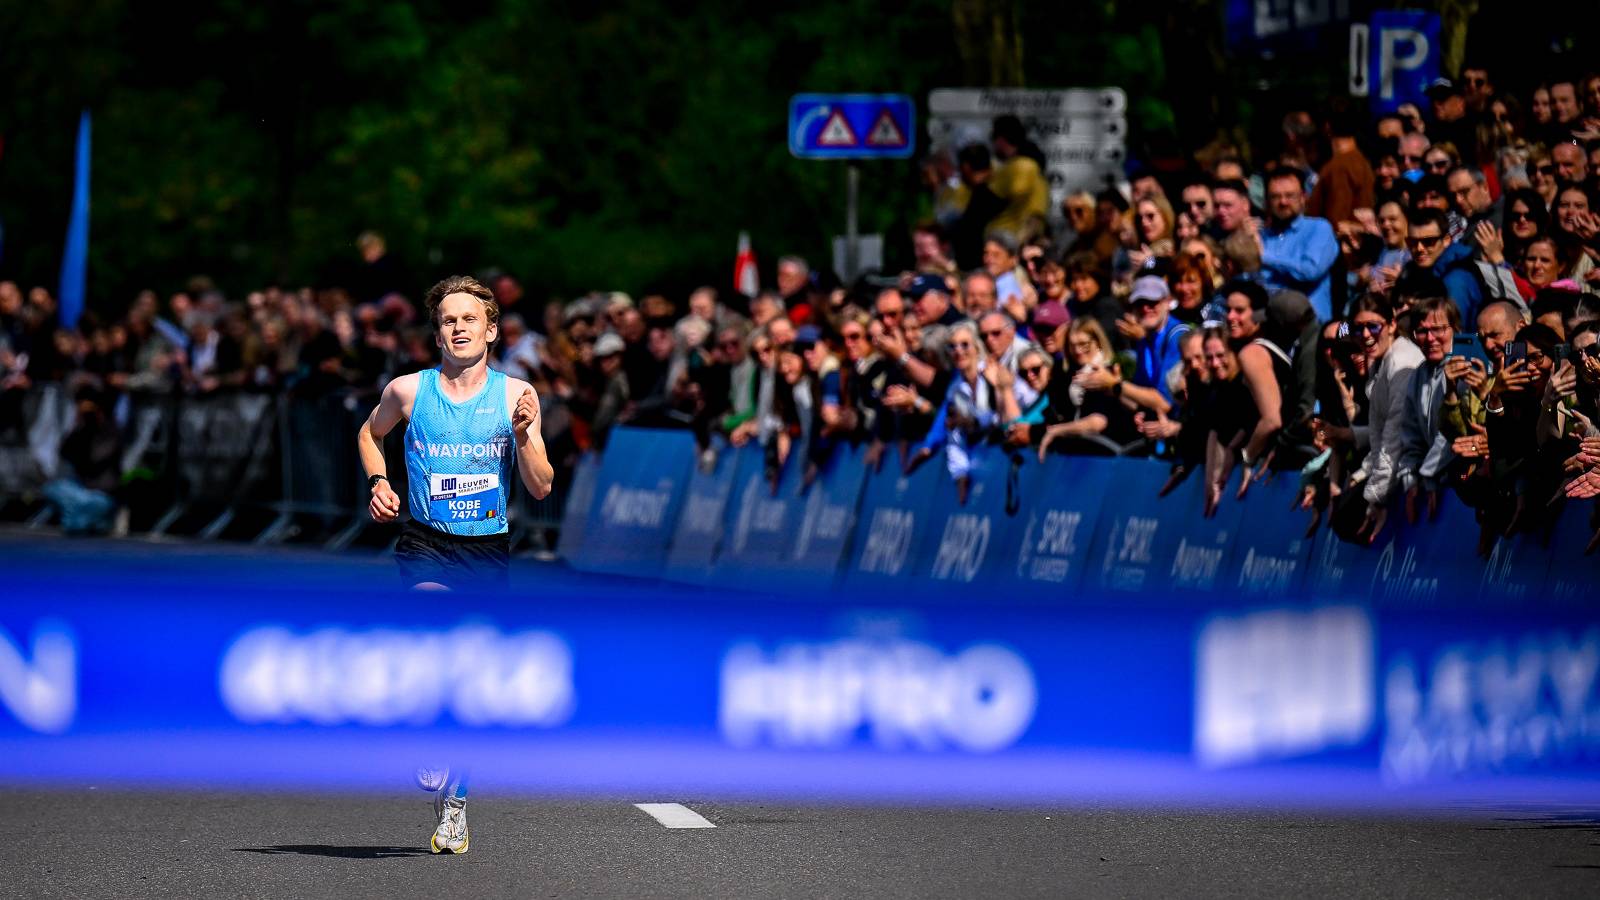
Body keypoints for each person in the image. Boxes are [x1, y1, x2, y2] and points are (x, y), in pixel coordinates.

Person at [356, 275, 556, 855]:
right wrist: (379, 481)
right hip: (426, 541)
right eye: (449, 320)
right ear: (437, 334)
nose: (459, 328)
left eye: (470, 319)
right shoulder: (408, 391)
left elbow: (541, 487)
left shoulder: (516, 395)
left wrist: (524, 437)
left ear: (491, 331)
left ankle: (455, 804)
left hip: (486, 550)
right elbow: (369, 433)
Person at [1346, 293, 1423, 544]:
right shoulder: (1379, 362)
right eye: (1358, 329)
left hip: (1416, 468)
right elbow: (1379, 434)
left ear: (1391, 325)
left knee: (1349, 517)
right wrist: (1362, 473)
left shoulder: (1401, 363)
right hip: (1395, 464)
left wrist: (1376, 498)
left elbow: (1393, 439)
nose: (1365, 335)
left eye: (1373, 326)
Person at [1254, 168, 1339, 321]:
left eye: (1290, 195)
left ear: (1303, 197)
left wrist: (1265, 257)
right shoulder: (1262, 236)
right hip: (1269, 322)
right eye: (1275, 197)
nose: (1283, 202)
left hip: (1310, 325)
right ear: (1267, 201)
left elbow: (1310, 271)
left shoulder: (1319, 228)